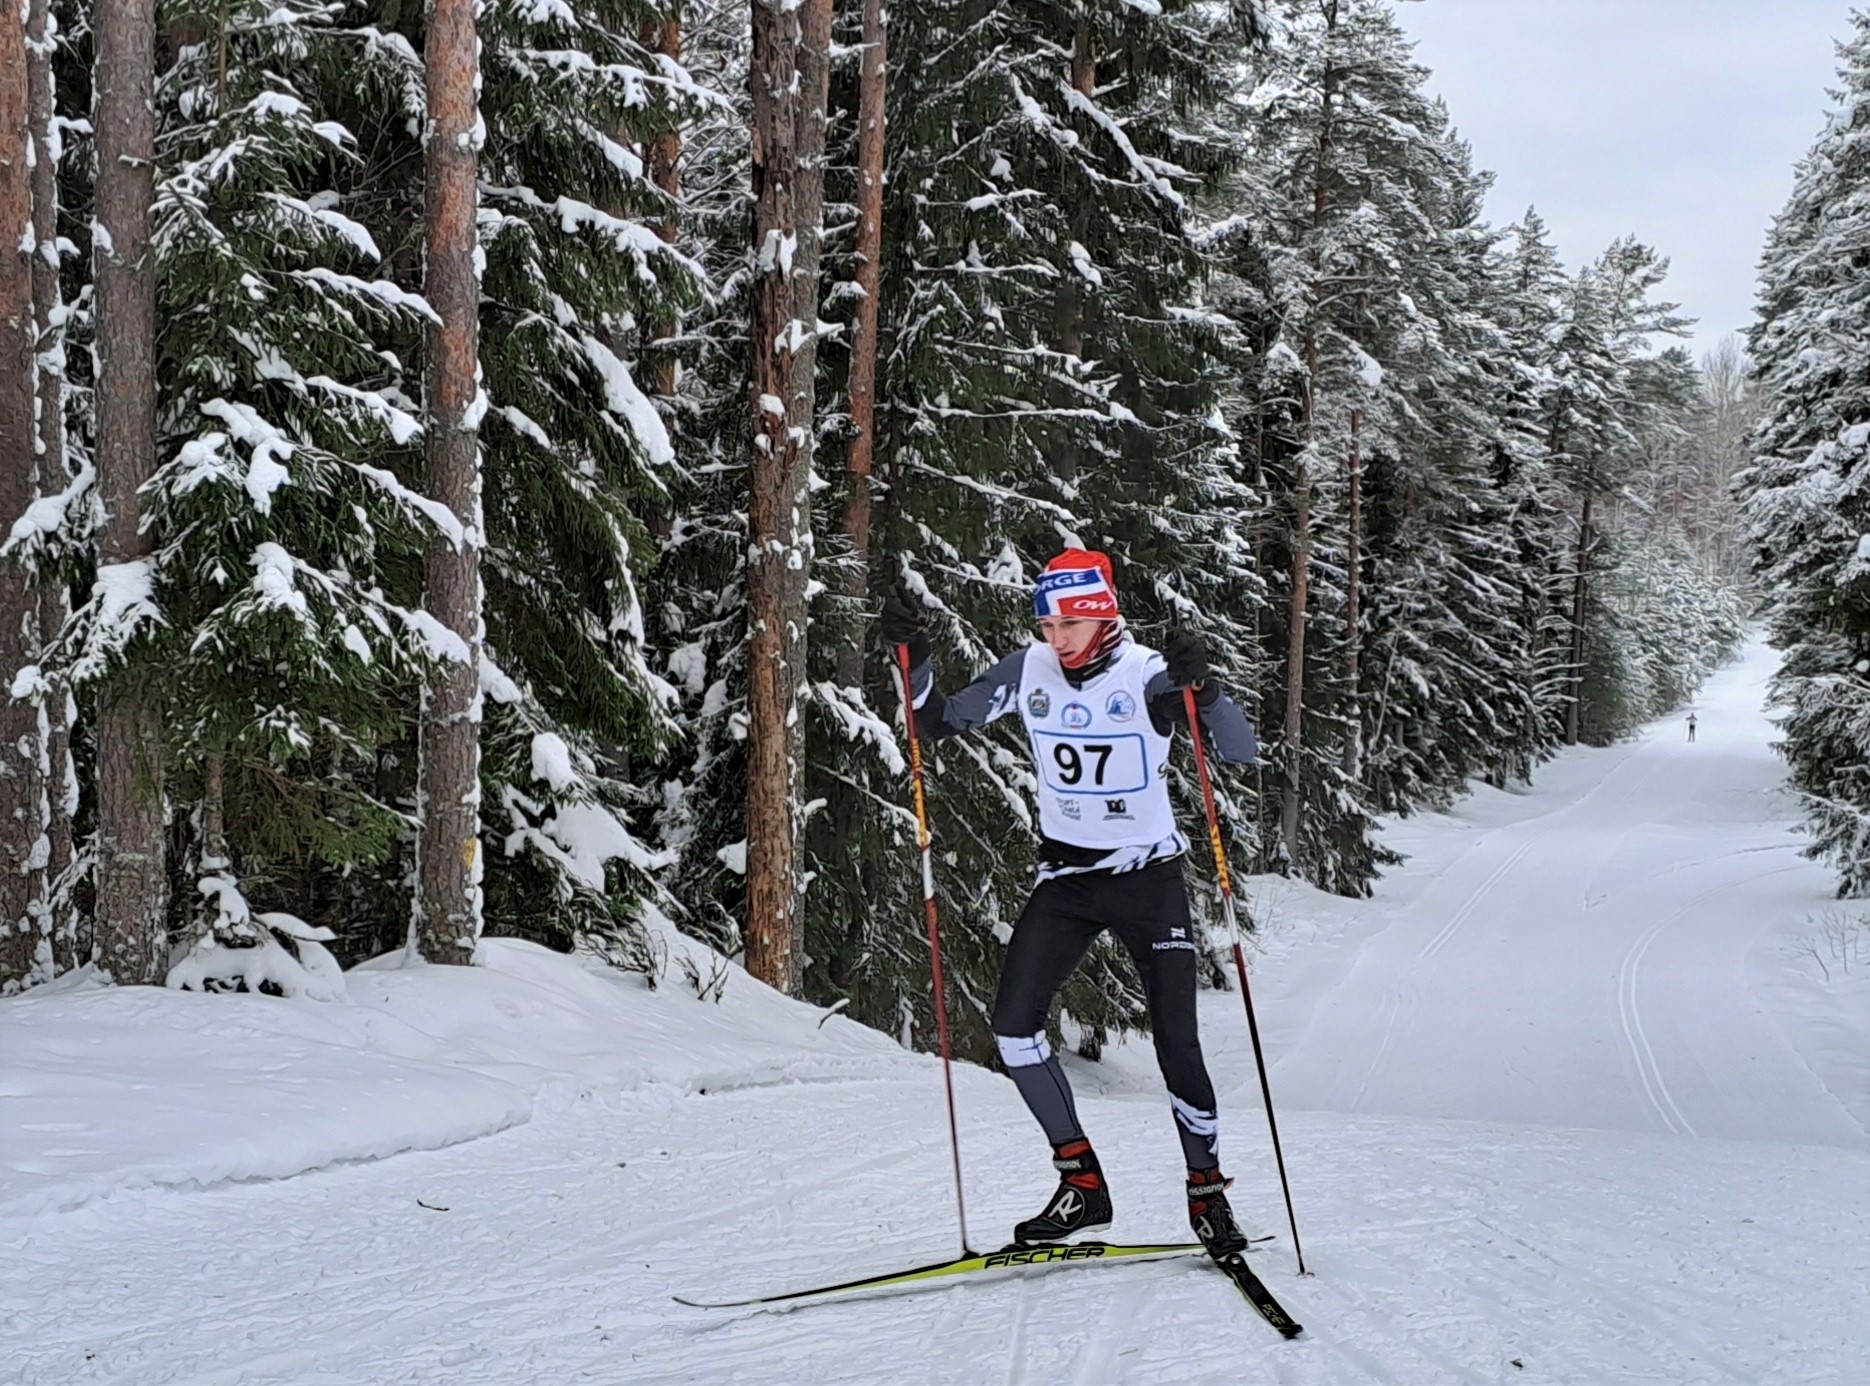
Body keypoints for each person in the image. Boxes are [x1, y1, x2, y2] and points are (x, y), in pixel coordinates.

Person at [881, 549, 1260, 1256]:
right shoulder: (1029, 671)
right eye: (1047, 623)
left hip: (1150, 880)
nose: (1056, 638)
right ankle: (1082, 1184)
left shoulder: (1147, 677)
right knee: (1013, 1030)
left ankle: (1205, 1192)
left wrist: (1203, 691)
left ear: (1102, 616)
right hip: (1067, 880)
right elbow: (937, 722)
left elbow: (1237, 751)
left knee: (1178, 1042)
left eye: (1068, 624)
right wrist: (916, 653)